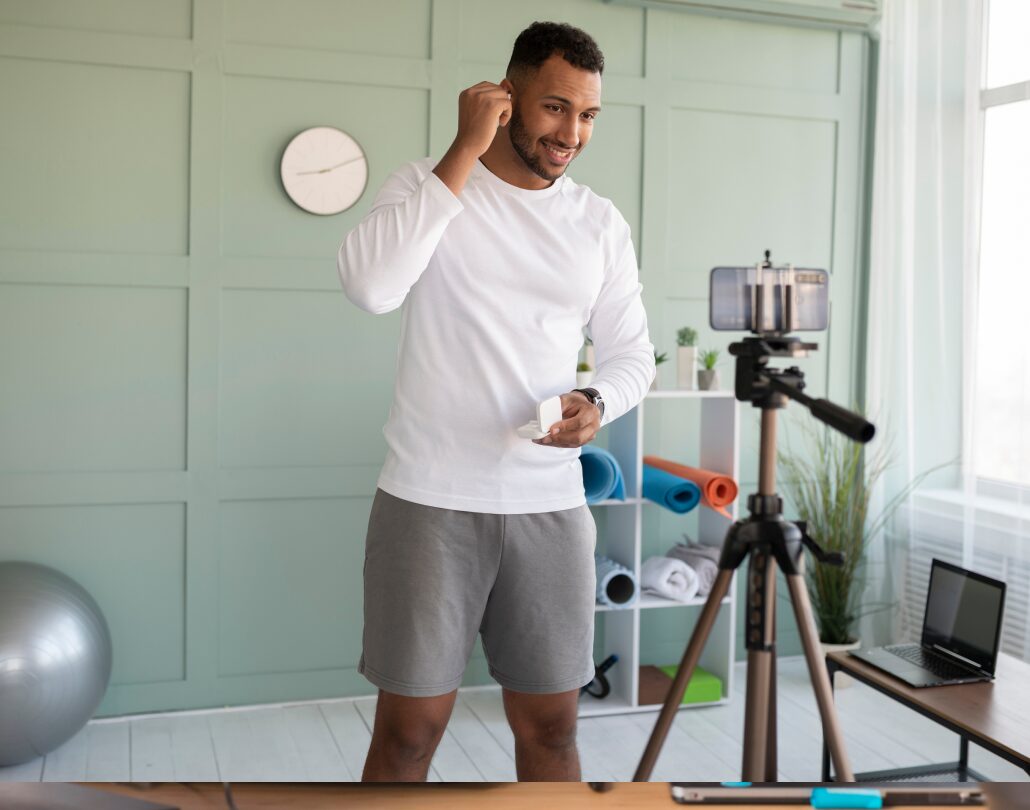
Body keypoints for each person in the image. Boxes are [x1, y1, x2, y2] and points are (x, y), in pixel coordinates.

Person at [337, 20, 654, 782]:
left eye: (587, 115)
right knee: (409, 734)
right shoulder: (427, 185)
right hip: (430, 503)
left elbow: (632, 354)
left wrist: (597, 401)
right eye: (555, 108)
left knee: (553, 728)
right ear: (505, 97)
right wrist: (464, 149)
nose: (571, 134)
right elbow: (371, 287)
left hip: (549, 506)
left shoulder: (598, 223)